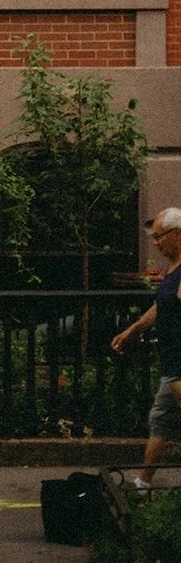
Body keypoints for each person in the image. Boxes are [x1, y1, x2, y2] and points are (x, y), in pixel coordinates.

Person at [110, 205, 181, 490]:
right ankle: (142, 483)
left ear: (177, 235)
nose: (155, 242)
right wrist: (131, 329)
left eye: (159, 236)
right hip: (172, 364)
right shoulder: (173, 270)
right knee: (160, 421)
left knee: (161, 421)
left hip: (180, 364)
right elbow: (160, 308)